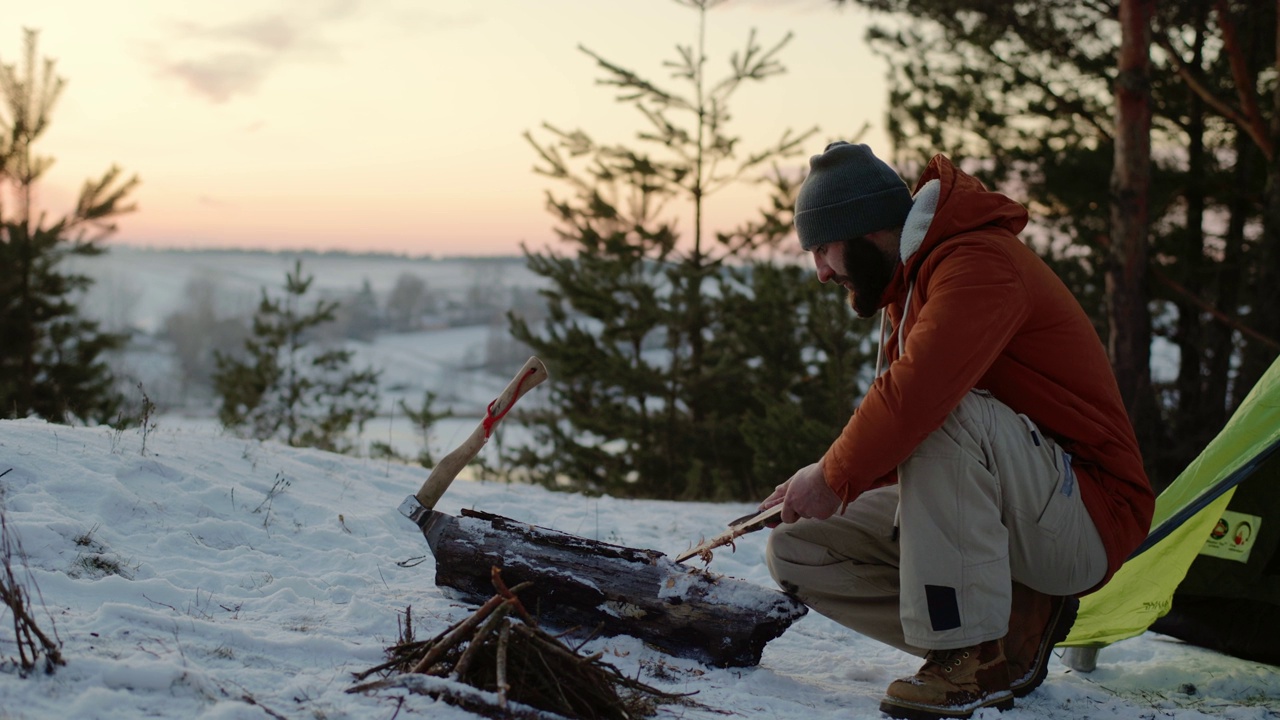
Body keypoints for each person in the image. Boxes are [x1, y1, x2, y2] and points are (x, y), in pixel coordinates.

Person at [760, 142, 1154, 720]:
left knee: (947, 411)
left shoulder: (978, 264)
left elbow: (920, 399)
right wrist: (820, 486)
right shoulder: (909, 289)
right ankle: (1009, 633)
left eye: (823, 249)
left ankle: (967, 656)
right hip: (1019, 505)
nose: (821, 272)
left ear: (868, 232)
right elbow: (910, 437)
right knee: (798, 548)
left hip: (1088, 516)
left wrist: (834, 474)